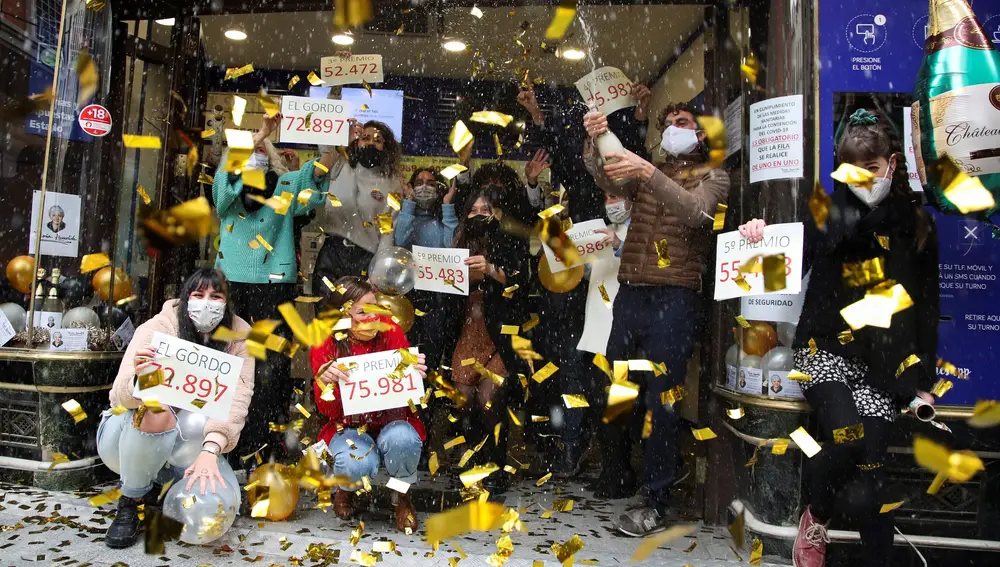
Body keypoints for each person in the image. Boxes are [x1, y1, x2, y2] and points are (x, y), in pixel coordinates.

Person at [739, 108, 939, 567]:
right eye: (852, 167)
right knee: (848, 439)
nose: (863, 177)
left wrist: (919, 376)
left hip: (885, 363)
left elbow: (928, 309)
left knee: (873, 466)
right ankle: (816, 518)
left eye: (871, 167)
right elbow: (781, 265)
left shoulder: (917, 224)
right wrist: (757, 238)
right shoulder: (827, 212)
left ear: (891, 163)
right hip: (824, 352)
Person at [582, 101, 730, 536]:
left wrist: (648, 172)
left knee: (662, 401)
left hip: (676, 300)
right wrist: (597, 141)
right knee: (619, 393)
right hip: (631, 296)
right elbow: (606, 179)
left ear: (700, 134)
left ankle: (657, 499)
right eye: (666, 125)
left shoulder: (714, 175)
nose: (671, 130)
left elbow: (696, 213)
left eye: (680, 124)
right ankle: (617, 473)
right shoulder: (651, 170)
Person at [97, 268, 255, 548]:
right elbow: (120, 396)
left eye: (216, 296)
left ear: (226, 303)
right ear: (185, 299)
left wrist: (211, 450)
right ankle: (130, 501)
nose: (206, 303)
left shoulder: (240, 340)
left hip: (193, 442)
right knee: (156, 411)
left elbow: (237, 403)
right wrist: (139, 379)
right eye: (198, 295)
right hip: (126, 437)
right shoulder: (156, 328)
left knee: (223, 501)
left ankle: (159, 484)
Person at [213, 113, 327, 464]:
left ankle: (266, 438)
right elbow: (220, 196)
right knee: (227, 360)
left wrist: (336, 143)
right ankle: (224, 436)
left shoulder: (284, 186)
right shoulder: (228, 186)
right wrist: (261, 132)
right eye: (249, 148)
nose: (256, 151)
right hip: (231, 282)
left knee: (271, 366)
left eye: (263, 147)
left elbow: (315, 183)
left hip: (274, 286)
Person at [309, 276, 428, 533]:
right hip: (348, 425)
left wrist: (414, 374)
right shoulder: (324, 340)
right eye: (362, 312)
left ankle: (401, 495)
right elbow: (327, 411)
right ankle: (346, 489)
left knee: (403, 441)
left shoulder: (389, 328)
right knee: (354, 463)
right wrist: (325, 383)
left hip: (391, 419)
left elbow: (408, 397)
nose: (372, 317)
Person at [441, 178, 532, 493]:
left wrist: (492, 269)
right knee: (463, 401)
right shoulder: (456, 241)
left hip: (498, 334)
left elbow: (521, 282)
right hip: (466, 331)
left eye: (486, 209)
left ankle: (497, 466)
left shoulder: (508, 241)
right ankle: (473, 461)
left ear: (496, 214)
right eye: (473, 210)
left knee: (490, 401)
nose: (479, 214)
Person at [557, 190, 630, 478]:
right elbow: (578, 272)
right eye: (608, 197)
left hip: (626, 323)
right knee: (582, 385)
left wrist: (620, 244)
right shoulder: (597, 229)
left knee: (617, 392)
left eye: (618, 196)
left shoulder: (642, 230)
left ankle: (617, 464)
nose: (613, 204)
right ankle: (578, 446)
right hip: (594, 321)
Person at [314, 120, 403, 283]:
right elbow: (325, 139)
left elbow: (387, 232)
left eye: (377, 140)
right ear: (356, 142)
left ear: (386, 147)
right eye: (365, 138)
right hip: (332, 254)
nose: (370, 143)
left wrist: (378, 272)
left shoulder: (392, 184)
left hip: (365, 258)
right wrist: (335, 98)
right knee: (326, 308)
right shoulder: (339, 165)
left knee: (359, 308)